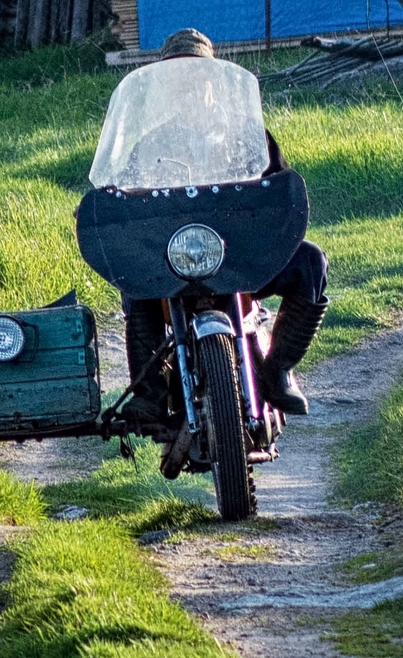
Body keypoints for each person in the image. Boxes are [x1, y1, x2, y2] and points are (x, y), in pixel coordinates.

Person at [117, 27, 327, 428]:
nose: (190, 89)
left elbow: (278, 193)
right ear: (167, 90)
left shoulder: (248, 138)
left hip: (241, 259)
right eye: (178, 82)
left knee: (310, 261)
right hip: (173, 262)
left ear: (215, 80)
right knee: (135, 280)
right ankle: (150, 397)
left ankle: (276, 370)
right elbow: (125, 196)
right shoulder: (152, 144)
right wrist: (111, 203)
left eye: (197, 78)